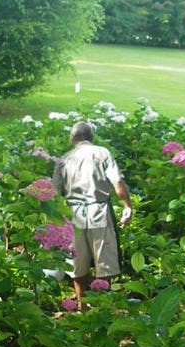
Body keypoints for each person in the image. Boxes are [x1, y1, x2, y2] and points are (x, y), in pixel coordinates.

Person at [52, 121, 132, 301]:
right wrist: (127, 206)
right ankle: (102, 304)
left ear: (71, 139)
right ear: (92, 137)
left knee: (77, 264)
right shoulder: (102, 153)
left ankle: (82, 306)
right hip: (100, 212)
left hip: (74, 214)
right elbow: (117, 183)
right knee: (105, 263)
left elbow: (55, 193)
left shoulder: (64, 159)